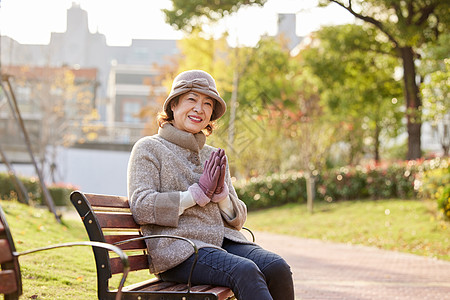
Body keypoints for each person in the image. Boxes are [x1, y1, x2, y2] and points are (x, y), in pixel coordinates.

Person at [127, 70, 294, 300]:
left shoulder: (213, 154)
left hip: (224, 243)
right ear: (173, 105)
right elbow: (141, 206)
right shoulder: (149, 148)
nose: (199, 109)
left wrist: (222, 196)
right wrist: (195, 195)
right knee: (244, 271)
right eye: (192, 99)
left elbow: (238, 219)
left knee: (277, 267)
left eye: (207, 103)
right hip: (179, 250)